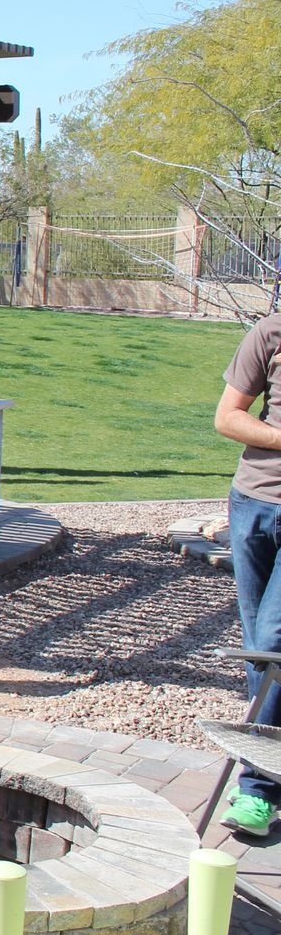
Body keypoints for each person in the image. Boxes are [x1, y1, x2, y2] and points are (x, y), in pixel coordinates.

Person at [213, 311, 281, 835]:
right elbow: (228, 418)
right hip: (253, 503)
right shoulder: (271, 331)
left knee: (275, 639)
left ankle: (256, 788)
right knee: (258, 645)